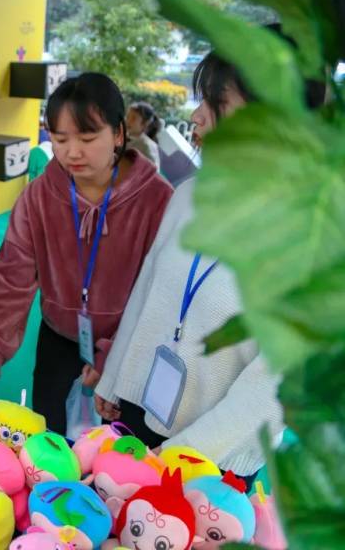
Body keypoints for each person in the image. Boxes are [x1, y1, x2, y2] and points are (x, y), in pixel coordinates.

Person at [95, 42, 326, 485]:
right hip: (137, 419)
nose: (196, 117)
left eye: (216, 103)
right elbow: (149, 288)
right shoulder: (188, 194)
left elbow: (274, 388)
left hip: (211, 462)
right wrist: (115, 380)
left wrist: (180, 456)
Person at [0, 73, 173, 433]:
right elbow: (13, 278)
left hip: (130, 349)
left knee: (121, 449)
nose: (72, 152)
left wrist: (114, 356)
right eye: (60, 139)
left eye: (87, 138)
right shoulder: (39, 196)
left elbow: (161, 293)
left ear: (118, 134)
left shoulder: (156, 199)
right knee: (50, 439)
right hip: (59, 338)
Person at [126, 101, 161, 171]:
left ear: (145, 124)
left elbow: (153, 172)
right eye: (127, 117)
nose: (128, 121)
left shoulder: (146, 146)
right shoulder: (125, 138)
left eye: (133, 118)